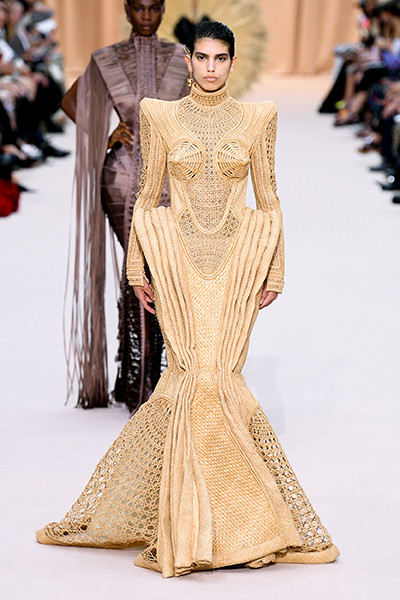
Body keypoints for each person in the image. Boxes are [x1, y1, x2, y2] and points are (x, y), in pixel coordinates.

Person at [36, 21, 339, 577]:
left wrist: (275, 269)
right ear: (190, 60)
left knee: (212, 376)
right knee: (196, 377)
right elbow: (147, 196)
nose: (210, 68)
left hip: (236, 265)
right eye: (202, 57)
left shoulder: (258, 117)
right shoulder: (160, 115)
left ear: (232, 62)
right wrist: (137, 269)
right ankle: (209, 522)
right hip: (176, 263)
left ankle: (223, 521)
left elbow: (269, 197)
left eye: (220, 58)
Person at [61, 0, 189, 412]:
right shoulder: (108, 59)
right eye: (139, 8)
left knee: (163, 272)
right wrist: (105, 132)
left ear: (164, 10)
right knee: (139, 270)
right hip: (120, 179)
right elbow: (70, 101)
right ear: (127, 10)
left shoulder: (181, 58)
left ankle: (143, 376)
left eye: (154, 8)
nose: (146, 17)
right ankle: (141, 383)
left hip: (172, 181)